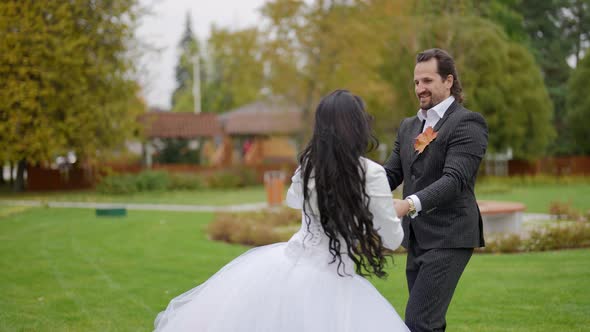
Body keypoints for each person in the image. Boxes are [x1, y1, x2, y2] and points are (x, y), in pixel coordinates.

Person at [154, 90, 409, 332]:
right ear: (359, 126)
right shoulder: (371, 173)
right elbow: (392, 239)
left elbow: (293, 201)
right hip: (334, 274)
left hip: (290, 265)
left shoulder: (310, 164)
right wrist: (392, 210)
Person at [383, 48, 489, 332]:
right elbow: (390, 174)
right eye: (417, 82)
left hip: (450, 236)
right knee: (428, 323)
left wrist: (408, 204)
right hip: (417, 238)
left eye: (428, 81)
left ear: (448, 81)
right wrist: (346, 181)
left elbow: (454, 180)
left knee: (419, 321)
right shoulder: (408, 127)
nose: (420, 88)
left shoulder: (468, 123)